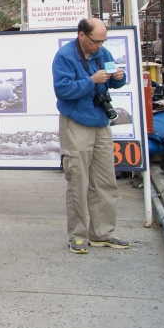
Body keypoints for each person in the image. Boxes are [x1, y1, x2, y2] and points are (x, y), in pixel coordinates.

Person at [53, 17, 129, 254]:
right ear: (81, 35)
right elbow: (62, 90)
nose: (99, 46)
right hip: (76, 123)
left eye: (103, 41)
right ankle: (77, 235)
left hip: (101, 122)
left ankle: (102, 233)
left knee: (105, 180)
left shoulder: (103, 53)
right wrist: (90, 81)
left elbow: (114, 82)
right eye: (96, 41)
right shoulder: (64, 56)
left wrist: (119, 78)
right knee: (78, 180)